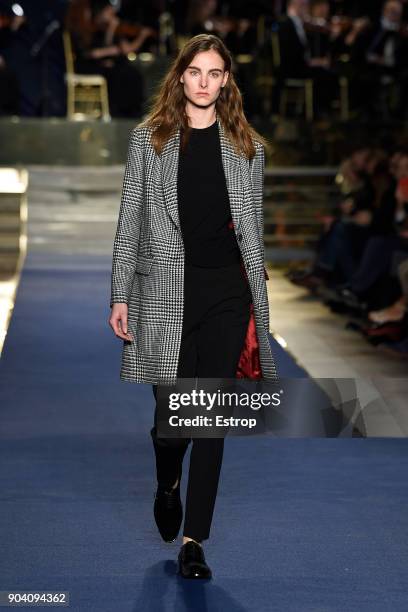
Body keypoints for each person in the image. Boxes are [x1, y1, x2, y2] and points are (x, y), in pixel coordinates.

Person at [109, 33, 278, 579]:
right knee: (171, 423)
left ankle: (194, 540)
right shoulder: (149, 141)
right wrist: (120, 292)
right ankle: (166, 478)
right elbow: (130, 222)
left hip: (228, 292)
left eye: (215, 73)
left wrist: (258, 285)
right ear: (180, 76)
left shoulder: (246, 145)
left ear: (226, 80)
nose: (204, 82)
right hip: (165, 291)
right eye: (196, 72)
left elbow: (250, 228)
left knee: (209, 418)